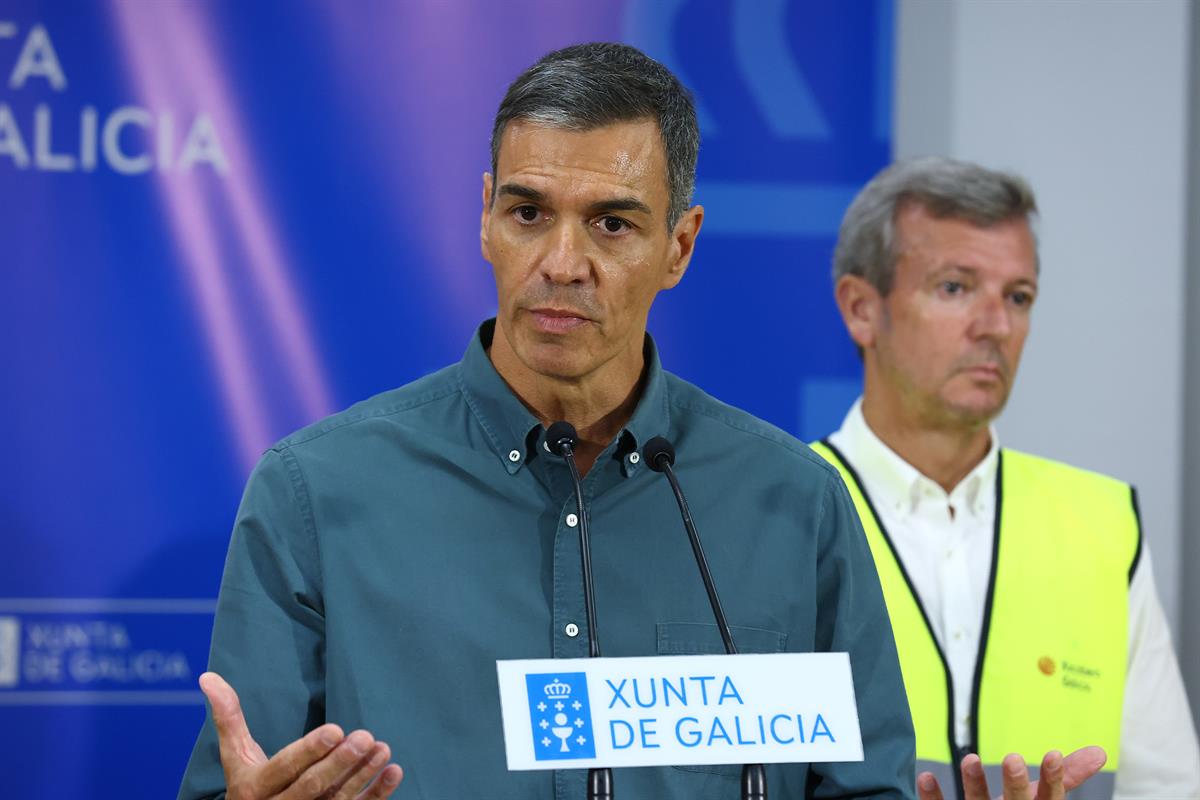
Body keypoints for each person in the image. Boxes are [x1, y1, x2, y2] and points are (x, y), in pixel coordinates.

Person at [178, 43, 923, 799]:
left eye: (611, 224)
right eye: (529, 213)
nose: (562, 262)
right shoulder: (317, 492)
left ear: (680, 246)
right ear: (486, 219)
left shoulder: (793, 502)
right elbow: (238, 784)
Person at [812, 156, 1200, 800]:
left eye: (1017, 297)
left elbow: (1168, 787)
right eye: (956, 288)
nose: (996, 327)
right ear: (861, 309)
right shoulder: (772, 513)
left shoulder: (1101, 523)